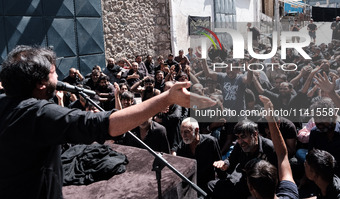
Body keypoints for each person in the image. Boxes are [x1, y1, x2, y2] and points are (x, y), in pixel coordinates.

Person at [0, 45, 216, 199]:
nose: (58, 78)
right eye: (54, 73)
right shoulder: (38, 113)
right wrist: (167, 98)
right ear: (40, 84)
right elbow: (107, 124)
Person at [244, 95, 299, 199]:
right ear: (276, 181)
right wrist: (270, 119)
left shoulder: (288, 125)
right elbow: (282, 155)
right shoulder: (290, 195)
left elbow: (284, 154)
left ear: (251, 189)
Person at [208, 120, 277, 199]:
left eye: (243, 137)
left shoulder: (270, 148)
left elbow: (275, 178)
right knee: (212, 185)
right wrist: (225, 164)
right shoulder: (239, 145)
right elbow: (231, 160)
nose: (240, 141)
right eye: (238, 137)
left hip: (261, 190)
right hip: (244, 183)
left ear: (255, 134)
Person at [176, 117, 223, 193]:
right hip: (189, 187)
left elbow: (219, 166)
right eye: (181, 132)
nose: (183, 135)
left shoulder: (211, 142)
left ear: (196, 130)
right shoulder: (181, 147)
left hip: (207, 186)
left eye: (186, 132)